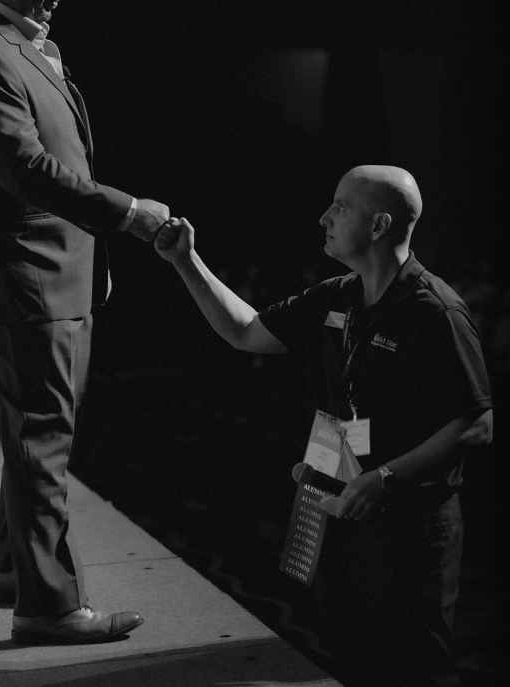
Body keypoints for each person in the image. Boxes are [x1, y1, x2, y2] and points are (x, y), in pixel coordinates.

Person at [155, 165, 493, 686]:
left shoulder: (436, 311)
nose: (324, 217)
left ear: (378, 226)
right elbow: (245, 332)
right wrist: (186, 260)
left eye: (340, 206)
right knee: (347, 654)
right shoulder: (336, 295)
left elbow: (476, 424)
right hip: (336, 505)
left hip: (407, 526)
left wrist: (385, 478)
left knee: (412, 666)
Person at [0, 0, 170, 644]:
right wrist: (129, 213)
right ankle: (51, 606)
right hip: (25, 282)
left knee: (30, 435)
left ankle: (13, 571)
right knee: (43, 444)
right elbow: (27, 171)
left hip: (47, 276)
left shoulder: (13, 43)